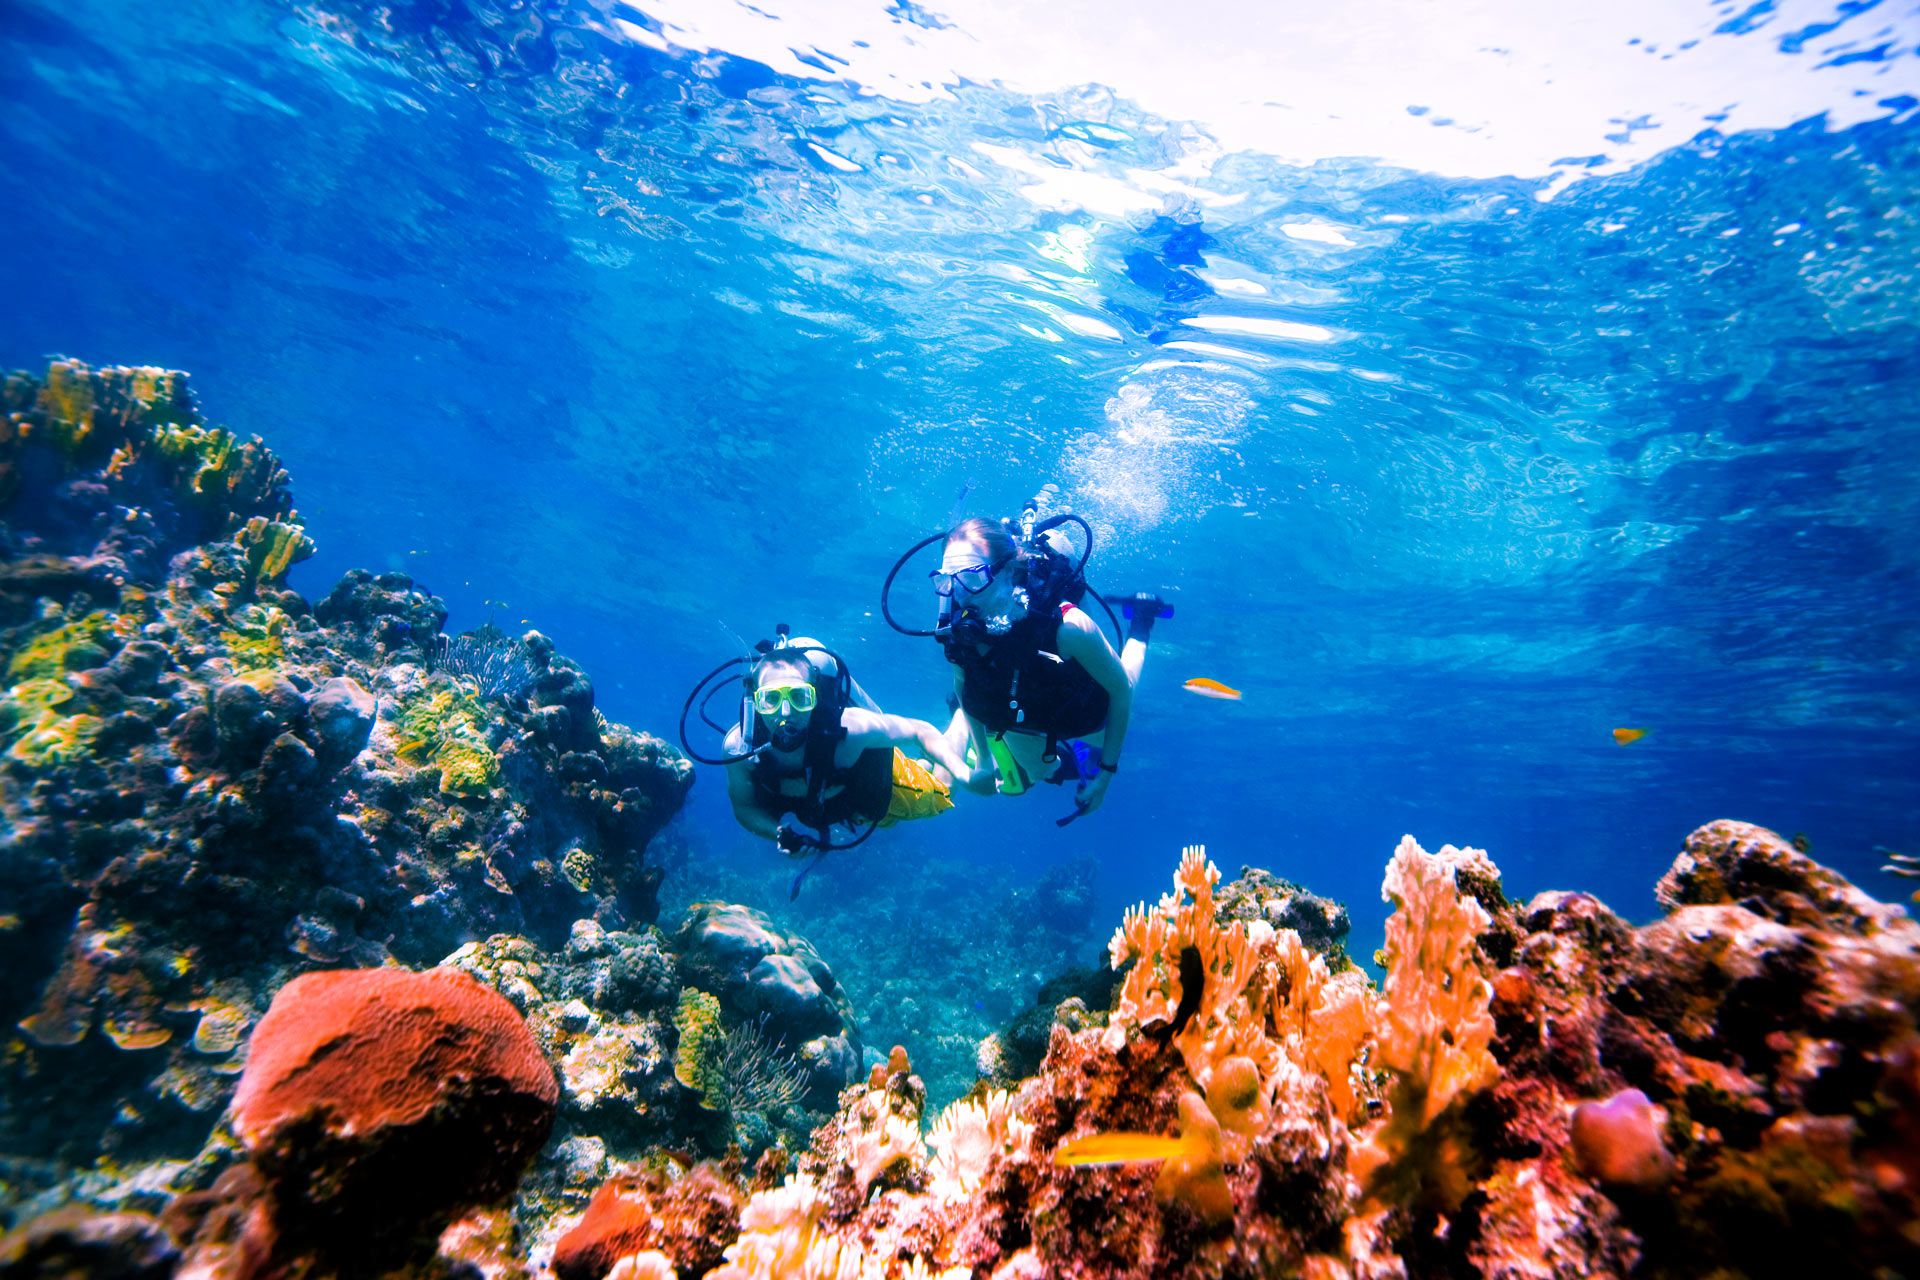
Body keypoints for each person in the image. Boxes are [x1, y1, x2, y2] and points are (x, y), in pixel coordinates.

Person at [933, 517, 1167, 823]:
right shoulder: (958, 630)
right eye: (947, 580)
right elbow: (965, 691)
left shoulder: (1070, 628)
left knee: (1126, 683)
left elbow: (1119, 691)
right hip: (1024, 715)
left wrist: (1107, 774)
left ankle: (1142, 620)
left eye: (971, 578)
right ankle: (1075, 762)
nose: (958, 594)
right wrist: (984, 762)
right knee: (1040, 772)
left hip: (1081, 707)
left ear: (1008, 570)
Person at [719, 638, 969, 862]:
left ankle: (963, 716)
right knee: (887, 822)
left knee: (943, 789)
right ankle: (922, 764)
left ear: (815, 697)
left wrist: (963, 772)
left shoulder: (851, 729)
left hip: (880, 785)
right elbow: (744, 807)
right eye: (771, 699)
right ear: (755, 701)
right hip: (848, 803)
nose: (786, 713)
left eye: (800, 697)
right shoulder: (739, 749)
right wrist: (777, 833)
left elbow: (919, 730)